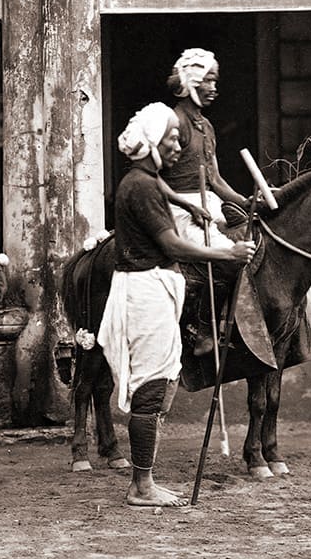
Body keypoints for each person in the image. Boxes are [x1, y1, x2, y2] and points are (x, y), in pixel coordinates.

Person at [97, 102, 256, 508]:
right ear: (151, 144)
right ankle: (141, 486)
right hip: (145, 289)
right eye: (170, 138)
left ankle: (144, 480)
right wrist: (228, 254)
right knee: (151, 388)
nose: (177, 143)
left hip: (153, 287)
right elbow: (169, 244)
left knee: (162, 380)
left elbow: (162, 189)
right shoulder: (142, 187)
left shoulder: (143, 179)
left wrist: (186, 204)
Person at [159, 48, 253, 354]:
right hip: (177, 210)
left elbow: (215, 179)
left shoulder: (206, 125)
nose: (214, 88)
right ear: (191, 82)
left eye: (215, 81)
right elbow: (151, 176)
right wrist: (188, 206)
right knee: (229, 257)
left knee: (251, 244)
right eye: (208, 81)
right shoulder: (174, 121)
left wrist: (247, 201)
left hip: (208, 204)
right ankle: (199, 327)